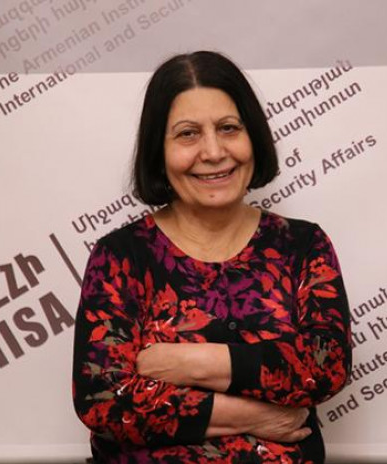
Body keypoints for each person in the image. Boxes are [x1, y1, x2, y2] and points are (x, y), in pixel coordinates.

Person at [72, 51, 352, 464]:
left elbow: (326, 365)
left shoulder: (303, 245)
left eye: (228, 128)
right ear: (158, 150)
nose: (214, 151)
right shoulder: (120, 256)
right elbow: (103, 399)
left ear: (253, 137)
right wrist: (254, 415)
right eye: (188, 134)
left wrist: (188, 362)